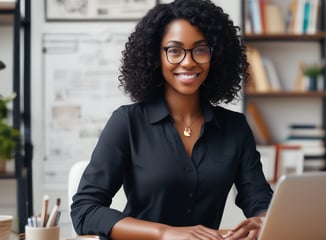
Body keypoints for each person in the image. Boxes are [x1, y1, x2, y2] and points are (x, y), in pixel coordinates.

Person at [70, 0, 273, 239]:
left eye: (200, 49)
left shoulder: (234, 128)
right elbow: (85, 211)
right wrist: (164, 233)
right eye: (174, 50)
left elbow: (260, 200)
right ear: (156, 57)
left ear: (214, 56)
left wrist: (262, 220)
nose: (188, 62)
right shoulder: (127, 122)